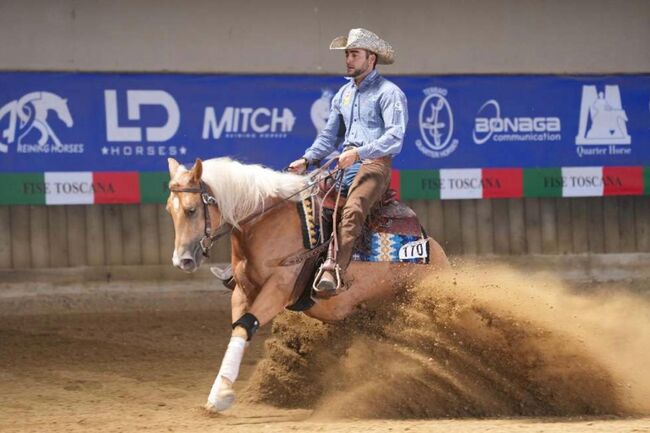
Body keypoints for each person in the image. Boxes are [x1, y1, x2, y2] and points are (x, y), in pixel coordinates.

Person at [289, 28, 408, 295]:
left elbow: (395, 137)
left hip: (374, 165)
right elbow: (329, 136)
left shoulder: (389, 93)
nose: (349, 60)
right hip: (345, 163)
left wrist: (359, 153)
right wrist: (308, 159)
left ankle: (334, 270)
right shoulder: (343, 94)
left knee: (353, 210)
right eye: (347, 54)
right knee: (301, 199)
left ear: (371, 58)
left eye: (355, 54)